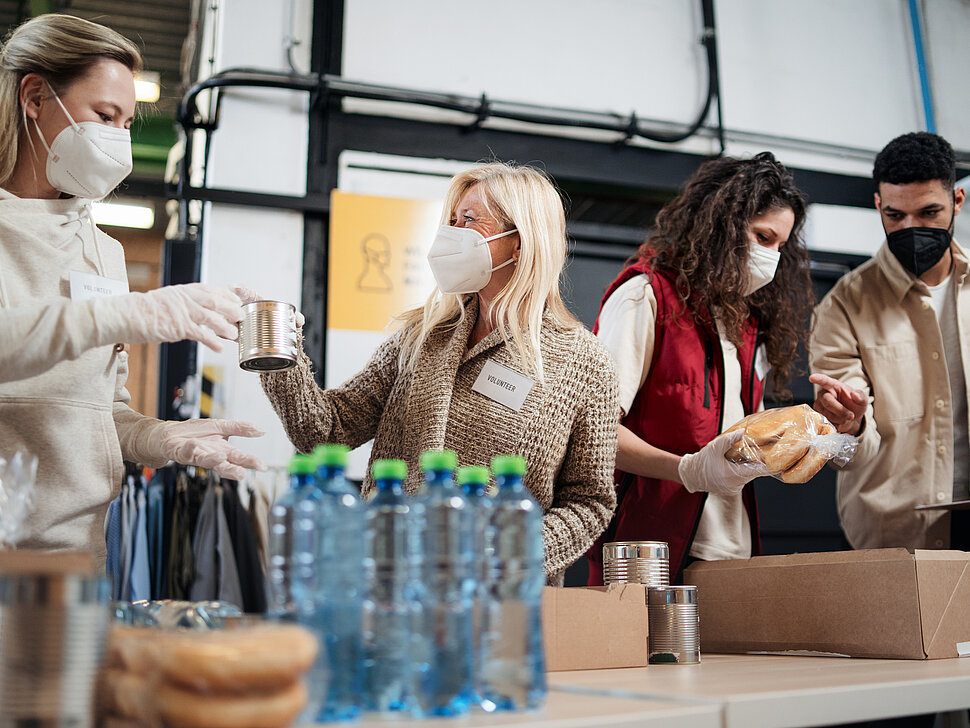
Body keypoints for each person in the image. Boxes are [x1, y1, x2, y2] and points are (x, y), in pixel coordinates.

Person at [261, 161, 620, 584]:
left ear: (520, 243)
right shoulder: (422, 335)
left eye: (468, 220)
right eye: (451, 220)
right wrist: (277, 350)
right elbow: (324, 431)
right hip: (388, 580)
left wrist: (510, 551)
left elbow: (589, 501)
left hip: (496, 598)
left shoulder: (584, 362)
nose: (450, 233)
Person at [0, 14, 264, 561]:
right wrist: (127, 314)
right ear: (33, 97)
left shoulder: (104, 252)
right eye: (104, 115)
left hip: (78, 554)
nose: (118, 140)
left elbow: (101, 411)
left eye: (126, 123)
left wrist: (160, 438)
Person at [587, 152, 814, 584]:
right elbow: (594, 432)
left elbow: (740, 442)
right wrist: (686, 470)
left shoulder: (747, 322)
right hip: (648, 547)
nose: (772, 258)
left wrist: (801, 443)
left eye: (781, 246)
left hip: (732, 549)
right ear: (722, 225)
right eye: (763, 238)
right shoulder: (645, 298)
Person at [810, 132, 967, 552]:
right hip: (897, 532)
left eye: (929, 211)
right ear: (878, 205)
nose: (911, 228)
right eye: (896, 215)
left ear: (958, 200)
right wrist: (851, 424)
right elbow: (846, 451)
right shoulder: (844, 304)